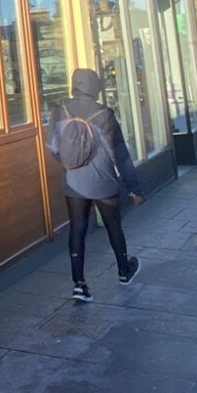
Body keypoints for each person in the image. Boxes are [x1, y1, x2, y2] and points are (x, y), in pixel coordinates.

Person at [52, 69, 143, 302]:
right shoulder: (104, 113)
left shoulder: (60, 110)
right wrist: (133, 187)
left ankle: (79, 285)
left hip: (73, 183)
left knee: (77, 229)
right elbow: (119, 154)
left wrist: (69, 163)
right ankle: (124, 270)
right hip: (103, 181)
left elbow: (52, 146)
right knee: (114, 227)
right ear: (95, 87)